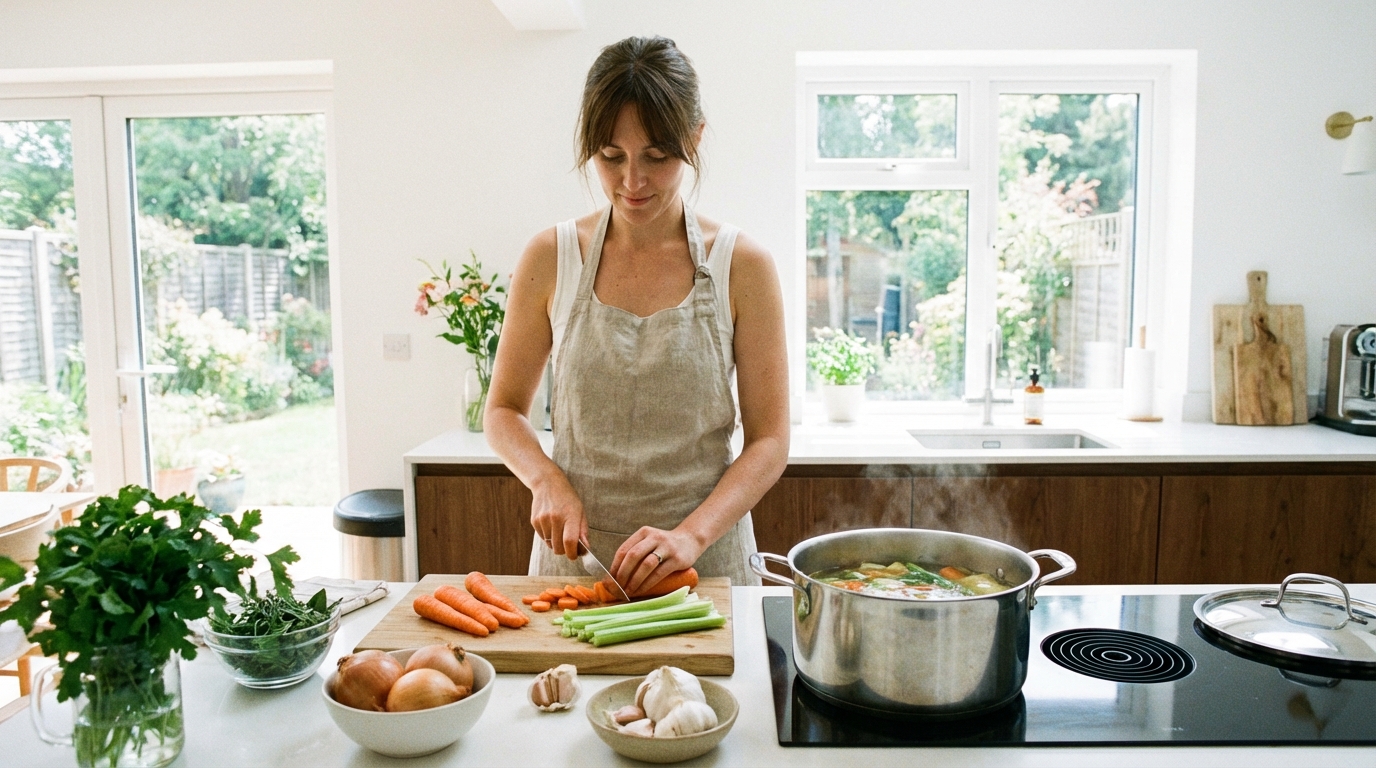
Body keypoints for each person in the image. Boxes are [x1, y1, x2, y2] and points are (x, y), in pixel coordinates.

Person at [485, 36, 789, 594]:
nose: (632, 181)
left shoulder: (742, 265)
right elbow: (502, 410)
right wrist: (544, 478)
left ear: (694, 139)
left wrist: (692, 535)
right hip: (577, 569)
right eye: (611, 156)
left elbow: (769, 440)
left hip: (703, 568)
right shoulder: (551, 256)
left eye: (657, 156)